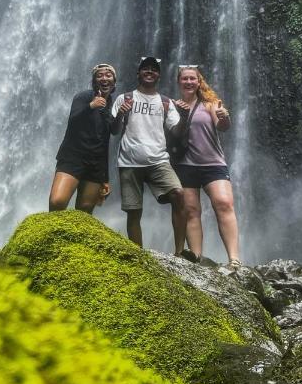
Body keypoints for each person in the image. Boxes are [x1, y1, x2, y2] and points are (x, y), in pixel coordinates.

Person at [110, 56, 186, 252]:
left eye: (154, 69)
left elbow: (177, 132)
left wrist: (185, 116)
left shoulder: (166, 102)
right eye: (146, 69)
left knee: (178, 194)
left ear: (159, 75)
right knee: (134, 212)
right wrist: (120, 114)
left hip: (158, 160)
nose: (150, 71)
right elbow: (113, 130)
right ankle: (139, 255)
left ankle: (180, 252)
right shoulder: (124, 98)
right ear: (138, 73)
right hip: (129, 161)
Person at [172, 65, 240, 268]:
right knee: (191, 211)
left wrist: (224, 117)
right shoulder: (173, 106)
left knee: (224, 203)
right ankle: (196, 260)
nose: (189, 82)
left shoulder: (210, 104)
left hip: (213, 164)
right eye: (185, 79)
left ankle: (234, 259)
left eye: (193, 78)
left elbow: (222, 126)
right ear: (179, 82)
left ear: (199, 82)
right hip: (185, 165)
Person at [48, 63, 116, 214]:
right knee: (57, 202)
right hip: (73, 158)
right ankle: (51, 236)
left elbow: (105, 143)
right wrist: (90, 106)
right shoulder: (84, 97)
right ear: (94, 81)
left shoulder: (112, 105)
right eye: (99, 75)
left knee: (84, 211)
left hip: (95, 165)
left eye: (108, 75)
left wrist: (105, 178)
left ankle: (73, 238)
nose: (104, 78)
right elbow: (72, 121)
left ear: (114, 82)